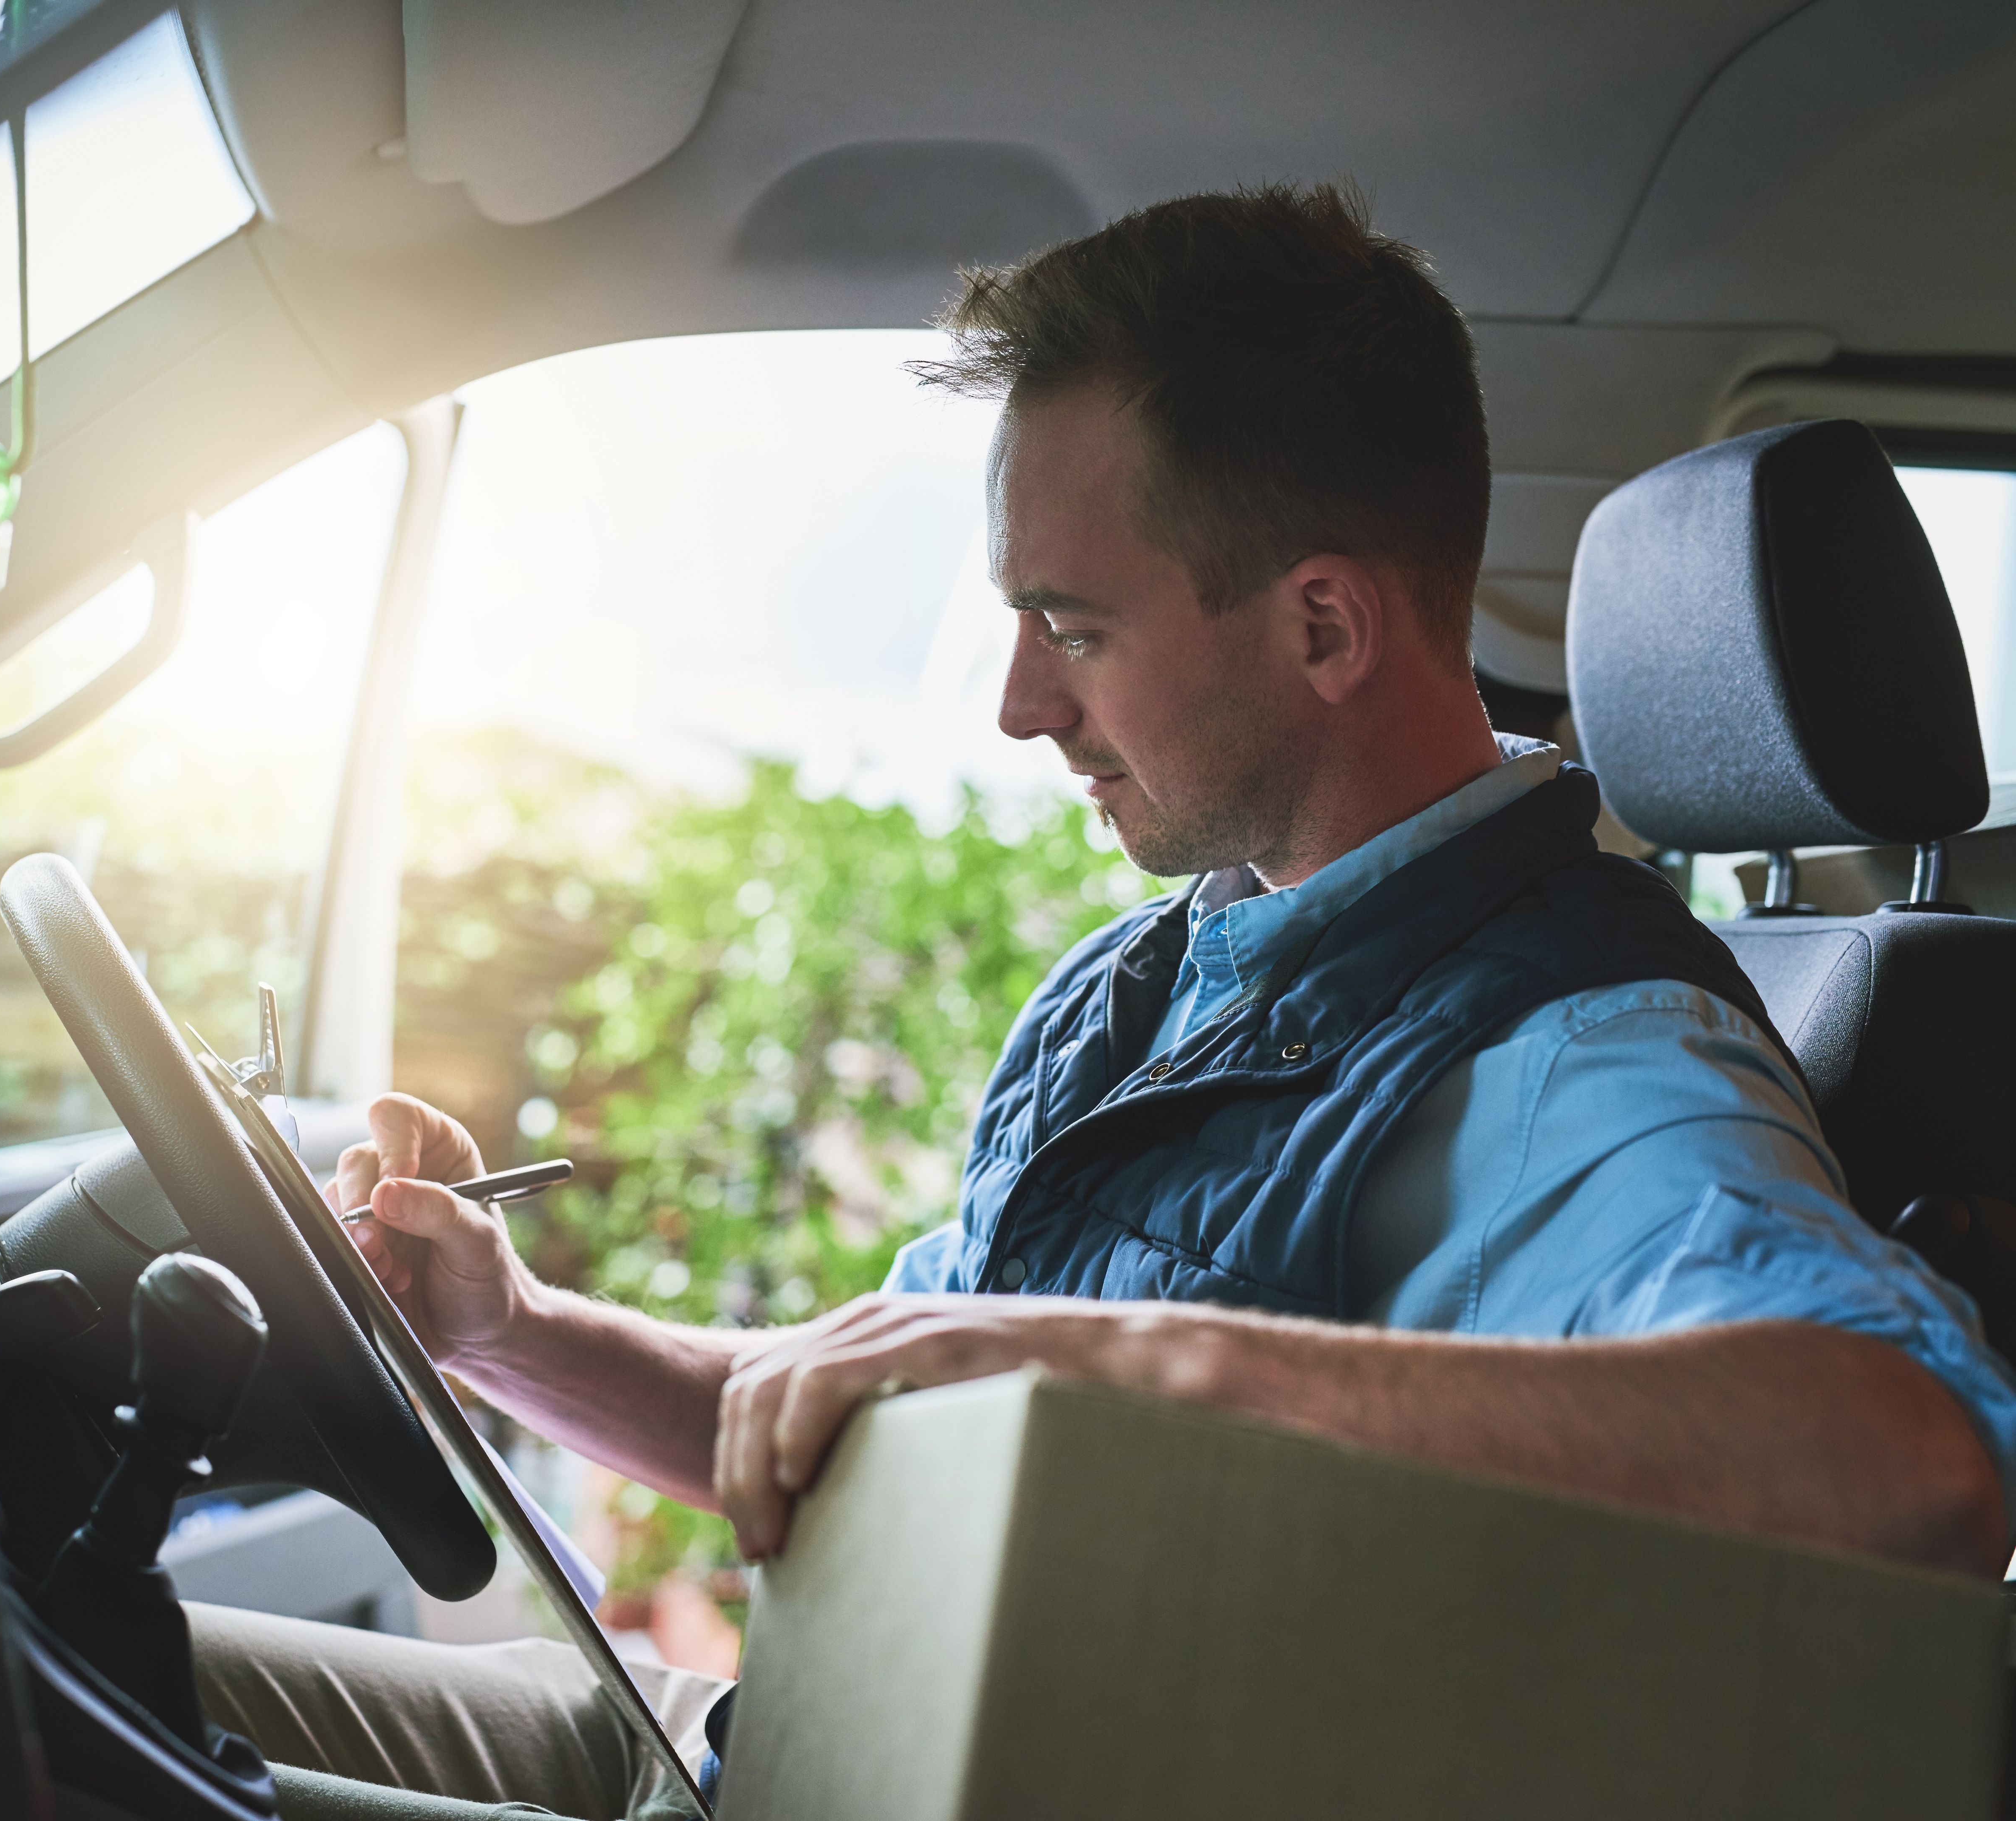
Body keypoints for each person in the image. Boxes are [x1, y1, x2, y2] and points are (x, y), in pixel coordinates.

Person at [187, 181, 2016, 1821]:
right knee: (114, 1668)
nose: (1011, 705)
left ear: (1319, 628)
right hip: (752, 1743)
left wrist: (1125, 1368)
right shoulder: (1147, 978)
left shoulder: (1581, 1053)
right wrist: (499, 1324)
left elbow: (1907, 1462)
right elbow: (854, 1402)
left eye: (1068, 625)